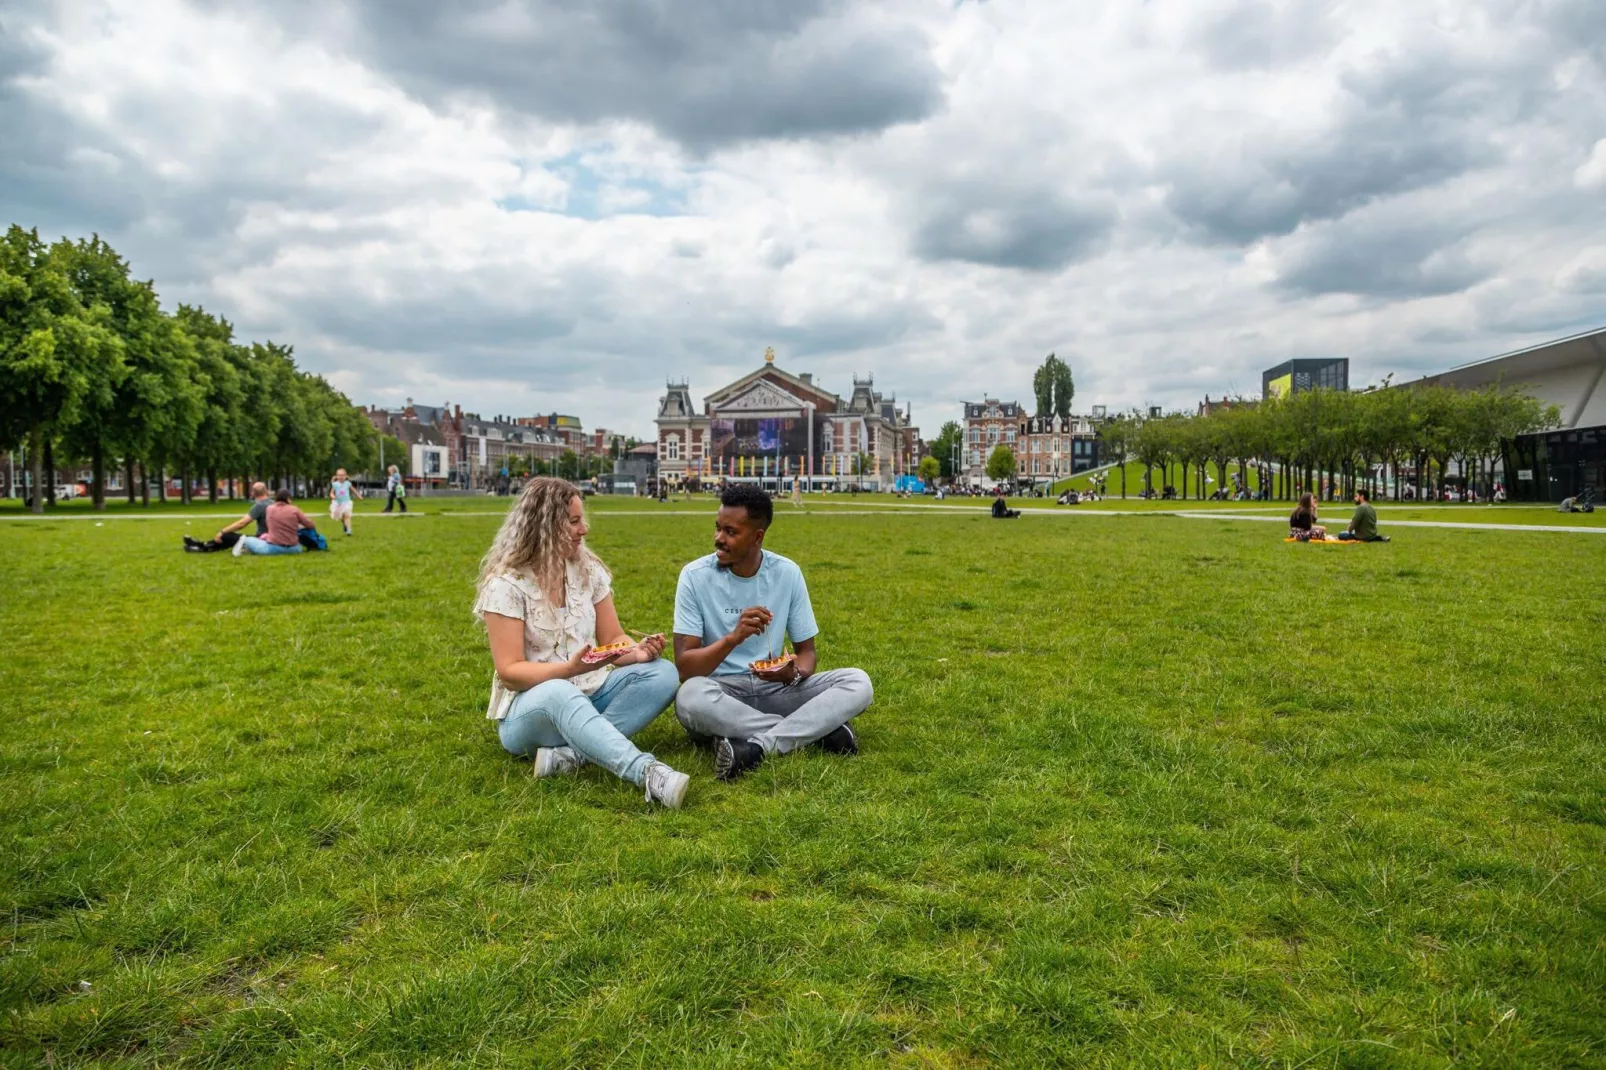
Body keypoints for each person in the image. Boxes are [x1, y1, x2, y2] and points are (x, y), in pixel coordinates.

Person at [474, 477, 688, 807]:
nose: (584, 529)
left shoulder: (587, 570)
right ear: (545, 526)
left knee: (663, 675)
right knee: (561, 691)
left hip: (592, 692)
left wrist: (637, 651)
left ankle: (571, 756)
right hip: (531, 712)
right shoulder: (506, 584)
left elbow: (613, 638)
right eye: (574, 521)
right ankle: (647, 773)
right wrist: (568, 669)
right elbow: (510, 672)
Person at [672, 483, 872, 781]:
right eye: (718, 528)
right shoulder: (694, 576)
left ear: (757, 537)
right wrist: (733, 638)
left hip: (776, 688)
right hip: (721, 693)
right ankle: (815, 732)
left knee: (858, 682)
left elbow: (807, 653)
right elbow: (686, 668)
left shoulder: (786, 573)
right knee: (689, 697)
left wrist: (791, 674)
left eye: (731, 532)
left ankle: (757, 746)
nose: (719, 539)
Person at [184, 482, 270, 553]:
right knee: (229, 538)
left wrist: (222, 532)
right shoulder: (272, 503)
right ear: (266, 491)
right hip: (269, 538)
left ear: (253, 493)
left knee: (227, 536)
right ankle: (202, 545)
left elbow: (242, 523)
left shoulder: (260, 505)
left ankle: (202, 547)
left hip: (261, 539)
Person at [235, 489, 314, 556]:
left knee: (248, 540)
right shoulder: (295, 510)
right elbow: (310, 525)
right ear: (288, 499)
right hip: (294, 549)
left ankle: (245, 548)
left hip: (273, 548)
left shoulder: (269, 509)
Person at [329, 467, 361, 536]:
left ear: (346, 476)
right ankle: (344, 523)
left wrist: (358, 496)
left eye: (343, 475)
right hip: (337, 503)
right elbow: (331, 493)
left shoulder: (347, 483)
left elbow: (353, 490)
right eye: (339, 475)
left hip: (346, 502)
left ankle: (349, 530)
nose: (341, 477)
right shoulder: (335, 484)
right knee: (339, 517)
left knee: (347, 515)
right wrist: (333, 496)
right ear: (337, 476)